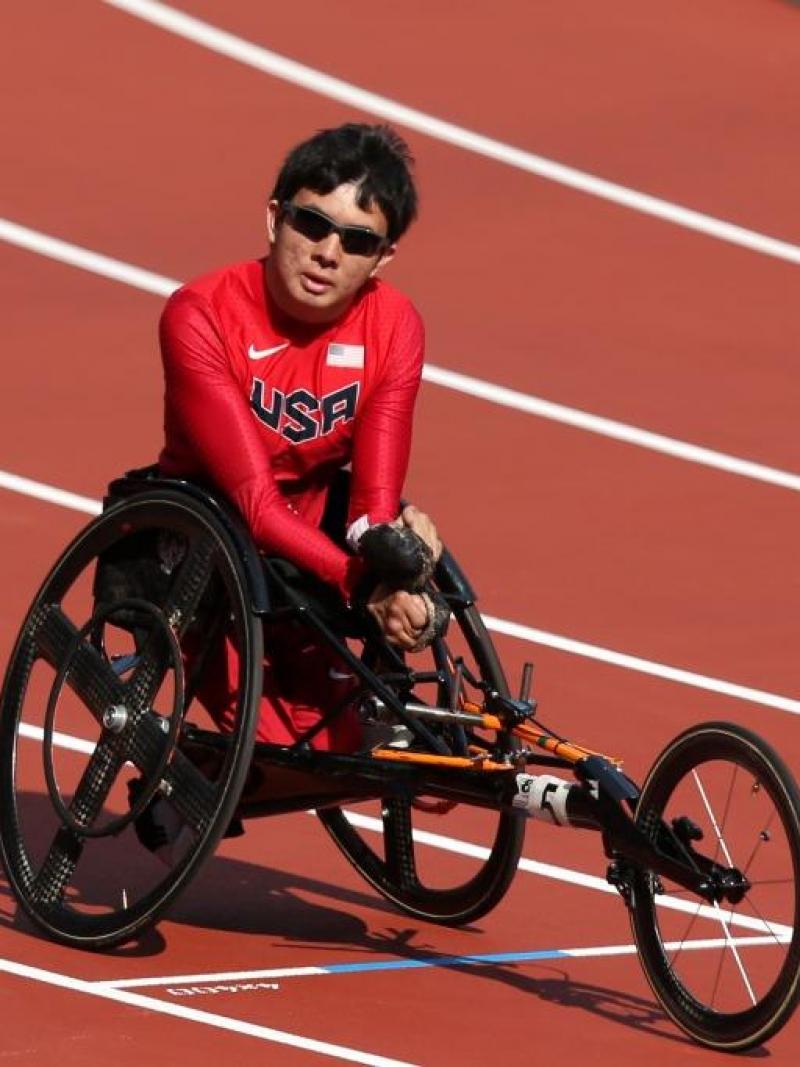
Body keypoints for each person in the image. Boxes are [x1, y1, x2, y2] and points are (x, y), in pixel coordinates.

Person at [157, 123, 440, 751]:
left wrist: (392, 570)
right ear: (274, 218)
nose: (328, 253)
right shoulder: (199, 313)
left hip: (314, 531)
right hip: (209, 534)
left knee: (394, 760)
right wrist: (361, 586)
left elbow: (371, 505)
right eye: (312, 224)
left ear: (382, 258)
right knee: (288, 745)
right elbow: (254, 504)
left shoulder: (394, 326)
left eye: (358, 240)